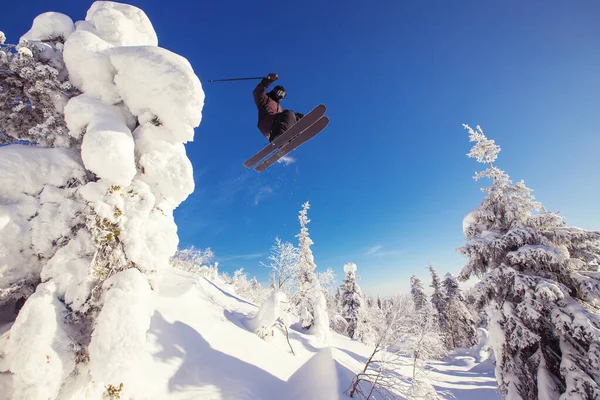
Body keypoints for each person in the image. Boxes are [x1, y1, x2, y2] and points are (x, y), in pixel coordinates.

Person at [253, 73, 304, 142]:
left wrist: (300, 117)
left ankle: (290, 140)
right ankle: (278, 137)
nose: (281, 96)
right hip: (267, 122)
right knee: (289, 113)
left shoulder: (280, 109)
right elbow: (257, 92)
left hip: (275, 127)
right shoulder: (265, 99)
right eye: (280, 93)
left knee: (294, 117)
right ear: (275, 91)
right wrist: (267, 81)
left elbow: (290, 116)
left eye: (283, 96)